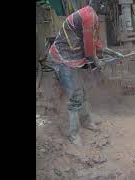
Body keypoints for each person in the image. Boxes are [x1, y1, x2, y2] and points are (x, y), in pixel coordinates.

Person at [48, 0, 107, 146]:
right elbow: (88, 48)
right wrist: (97, 61)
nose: (105, 6)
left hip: (73, 58)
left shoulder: (91, 15)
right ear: (99, 4)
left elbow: (95, 41)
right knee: (75, 97)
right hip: (62, 59)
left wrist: (107, 51)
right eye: (104, 3)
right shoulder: (89, 16)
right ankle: (73, 134)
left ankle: (86, 122)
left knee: (83, 91)